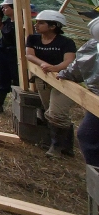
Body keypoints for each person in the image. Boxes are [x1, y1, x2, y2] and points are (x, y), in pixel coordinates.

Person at [25, 9, 77, 157]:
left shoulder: (66, 42)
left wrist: (55, 68)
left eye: (41, 23)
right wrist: (44, 65)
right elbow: (29, 55)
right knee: (50, 110)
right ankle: (65, 146)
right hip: (43, 78)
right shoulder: (33, 39)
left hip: (63, 81)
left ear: (53, 26)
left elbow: (69, 61)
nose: (37, 25)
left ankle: (56, 147)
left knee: (56, 112)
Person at [62, 13, 99, 165]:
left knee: (87, 135)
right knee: (87, 135)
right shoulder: (92, 47)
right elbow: (78, 66)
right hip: (96, 99)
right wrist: (64, 74)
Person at [0, 0, 19, 113]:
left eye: (5, 7)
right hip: (4, 53)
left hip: (16, 53)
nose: (3, 9)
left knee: (18, 79)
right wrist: (0, 15)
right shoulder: (8, 22)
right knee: (2, 78)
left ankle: (18, 105)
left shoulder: (21, 23)